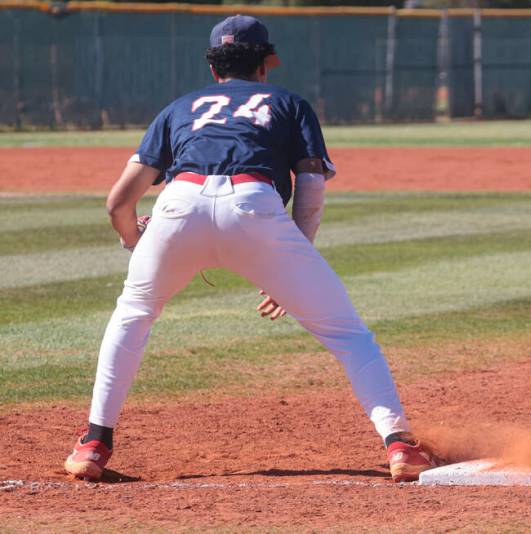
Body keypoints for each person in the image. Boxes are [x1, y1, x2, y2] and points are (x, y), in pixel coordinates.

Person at [63, 15, 436, 483]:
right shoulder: (288, 102)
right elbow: (312, 184)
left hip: (176, 206)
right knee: (348, 335)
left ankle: (94, 443)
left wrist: (135, 242)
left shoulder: (180, 107)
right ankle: (400, 445)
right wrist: (293, 260)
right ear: (265, 65)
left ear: (214, 68)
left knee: (134, 313)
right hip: (255, 206)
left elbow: (119, 201)